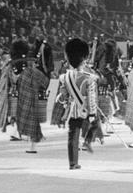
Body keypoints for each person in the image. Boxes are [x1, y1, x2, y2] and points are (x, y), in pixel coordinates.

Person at [57, 37, 98, 170]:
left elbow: (62, 97)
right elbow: (92, 97)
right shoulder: (89, 78)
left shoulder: (65, 77)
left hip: (72, 110)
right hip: (85, 109)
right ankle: (87, 141)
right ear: (84, 58)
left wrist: (64, 101)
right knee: (95, 124)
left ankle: (73, 163)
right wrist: (92, 113)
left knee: (73, 136)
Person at [16, 40, 53, 154]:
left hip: (32, 98)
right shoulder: (36, 72)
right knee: (32, 121)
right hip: (34, 96)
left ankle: (32, 145)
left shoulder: (30, 72)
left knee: (31, 120)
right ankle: (32, 144)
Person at [0, 40, 29, 141]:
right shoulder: (20, 65)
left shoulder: (9, 65)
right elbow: (16, 78)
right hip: (18, 92)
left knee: (15, 114)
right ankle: (16, 133)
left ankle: (17, 132)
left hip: (11, 92)